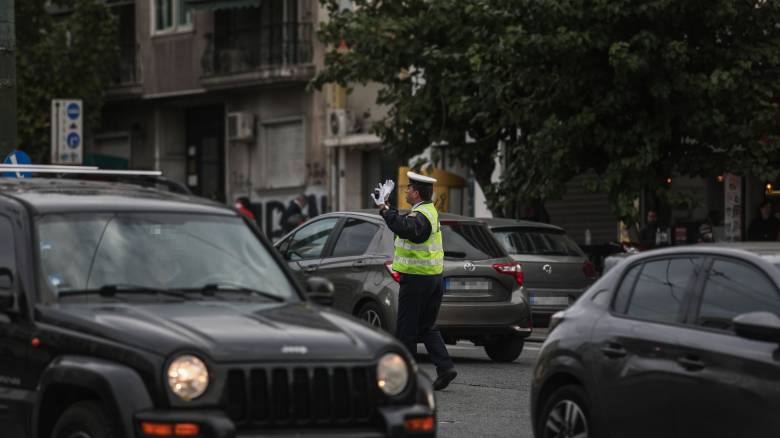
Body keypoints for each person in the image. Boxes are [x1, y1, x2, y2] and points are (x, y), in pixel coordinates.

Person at [371, 172, 457, 391]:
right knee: (427, 326)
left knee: (406, 330)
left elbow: (407, 229)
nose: (406, 191)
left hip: (417, 280)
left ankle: (406, 378)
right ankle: (445, 367)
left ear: (416, 193)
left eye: (408, 188)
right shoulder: (427, 211)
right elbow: (405, 223)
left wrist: (383, 209)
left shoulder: (421, 215)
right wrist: (388, 208)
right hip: (433, 278)